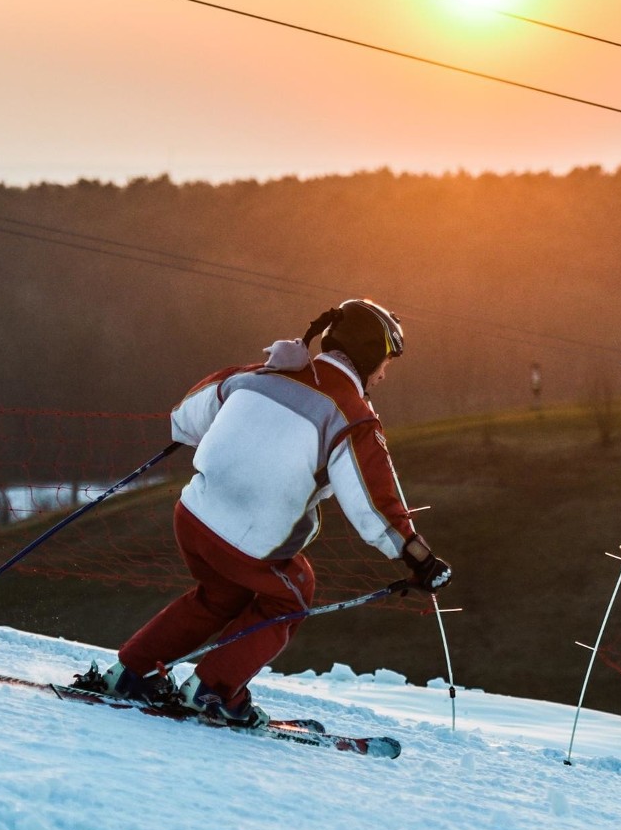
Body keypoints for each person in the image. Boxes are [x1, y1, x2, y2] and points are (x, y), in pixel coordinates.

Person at [77, 298, 452, 727]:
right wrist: (416, 557)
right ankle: (212, 691)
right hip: (249, 541)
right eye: (385, 361)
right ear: (369, 354)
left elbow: (185, 418)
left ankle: (130, 674)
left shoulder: (259, 374)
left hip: (193, 518)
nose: (384, 374)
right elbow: (373, 502)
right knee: (292, 591)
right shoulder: (352, 415)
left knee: (219, 597)